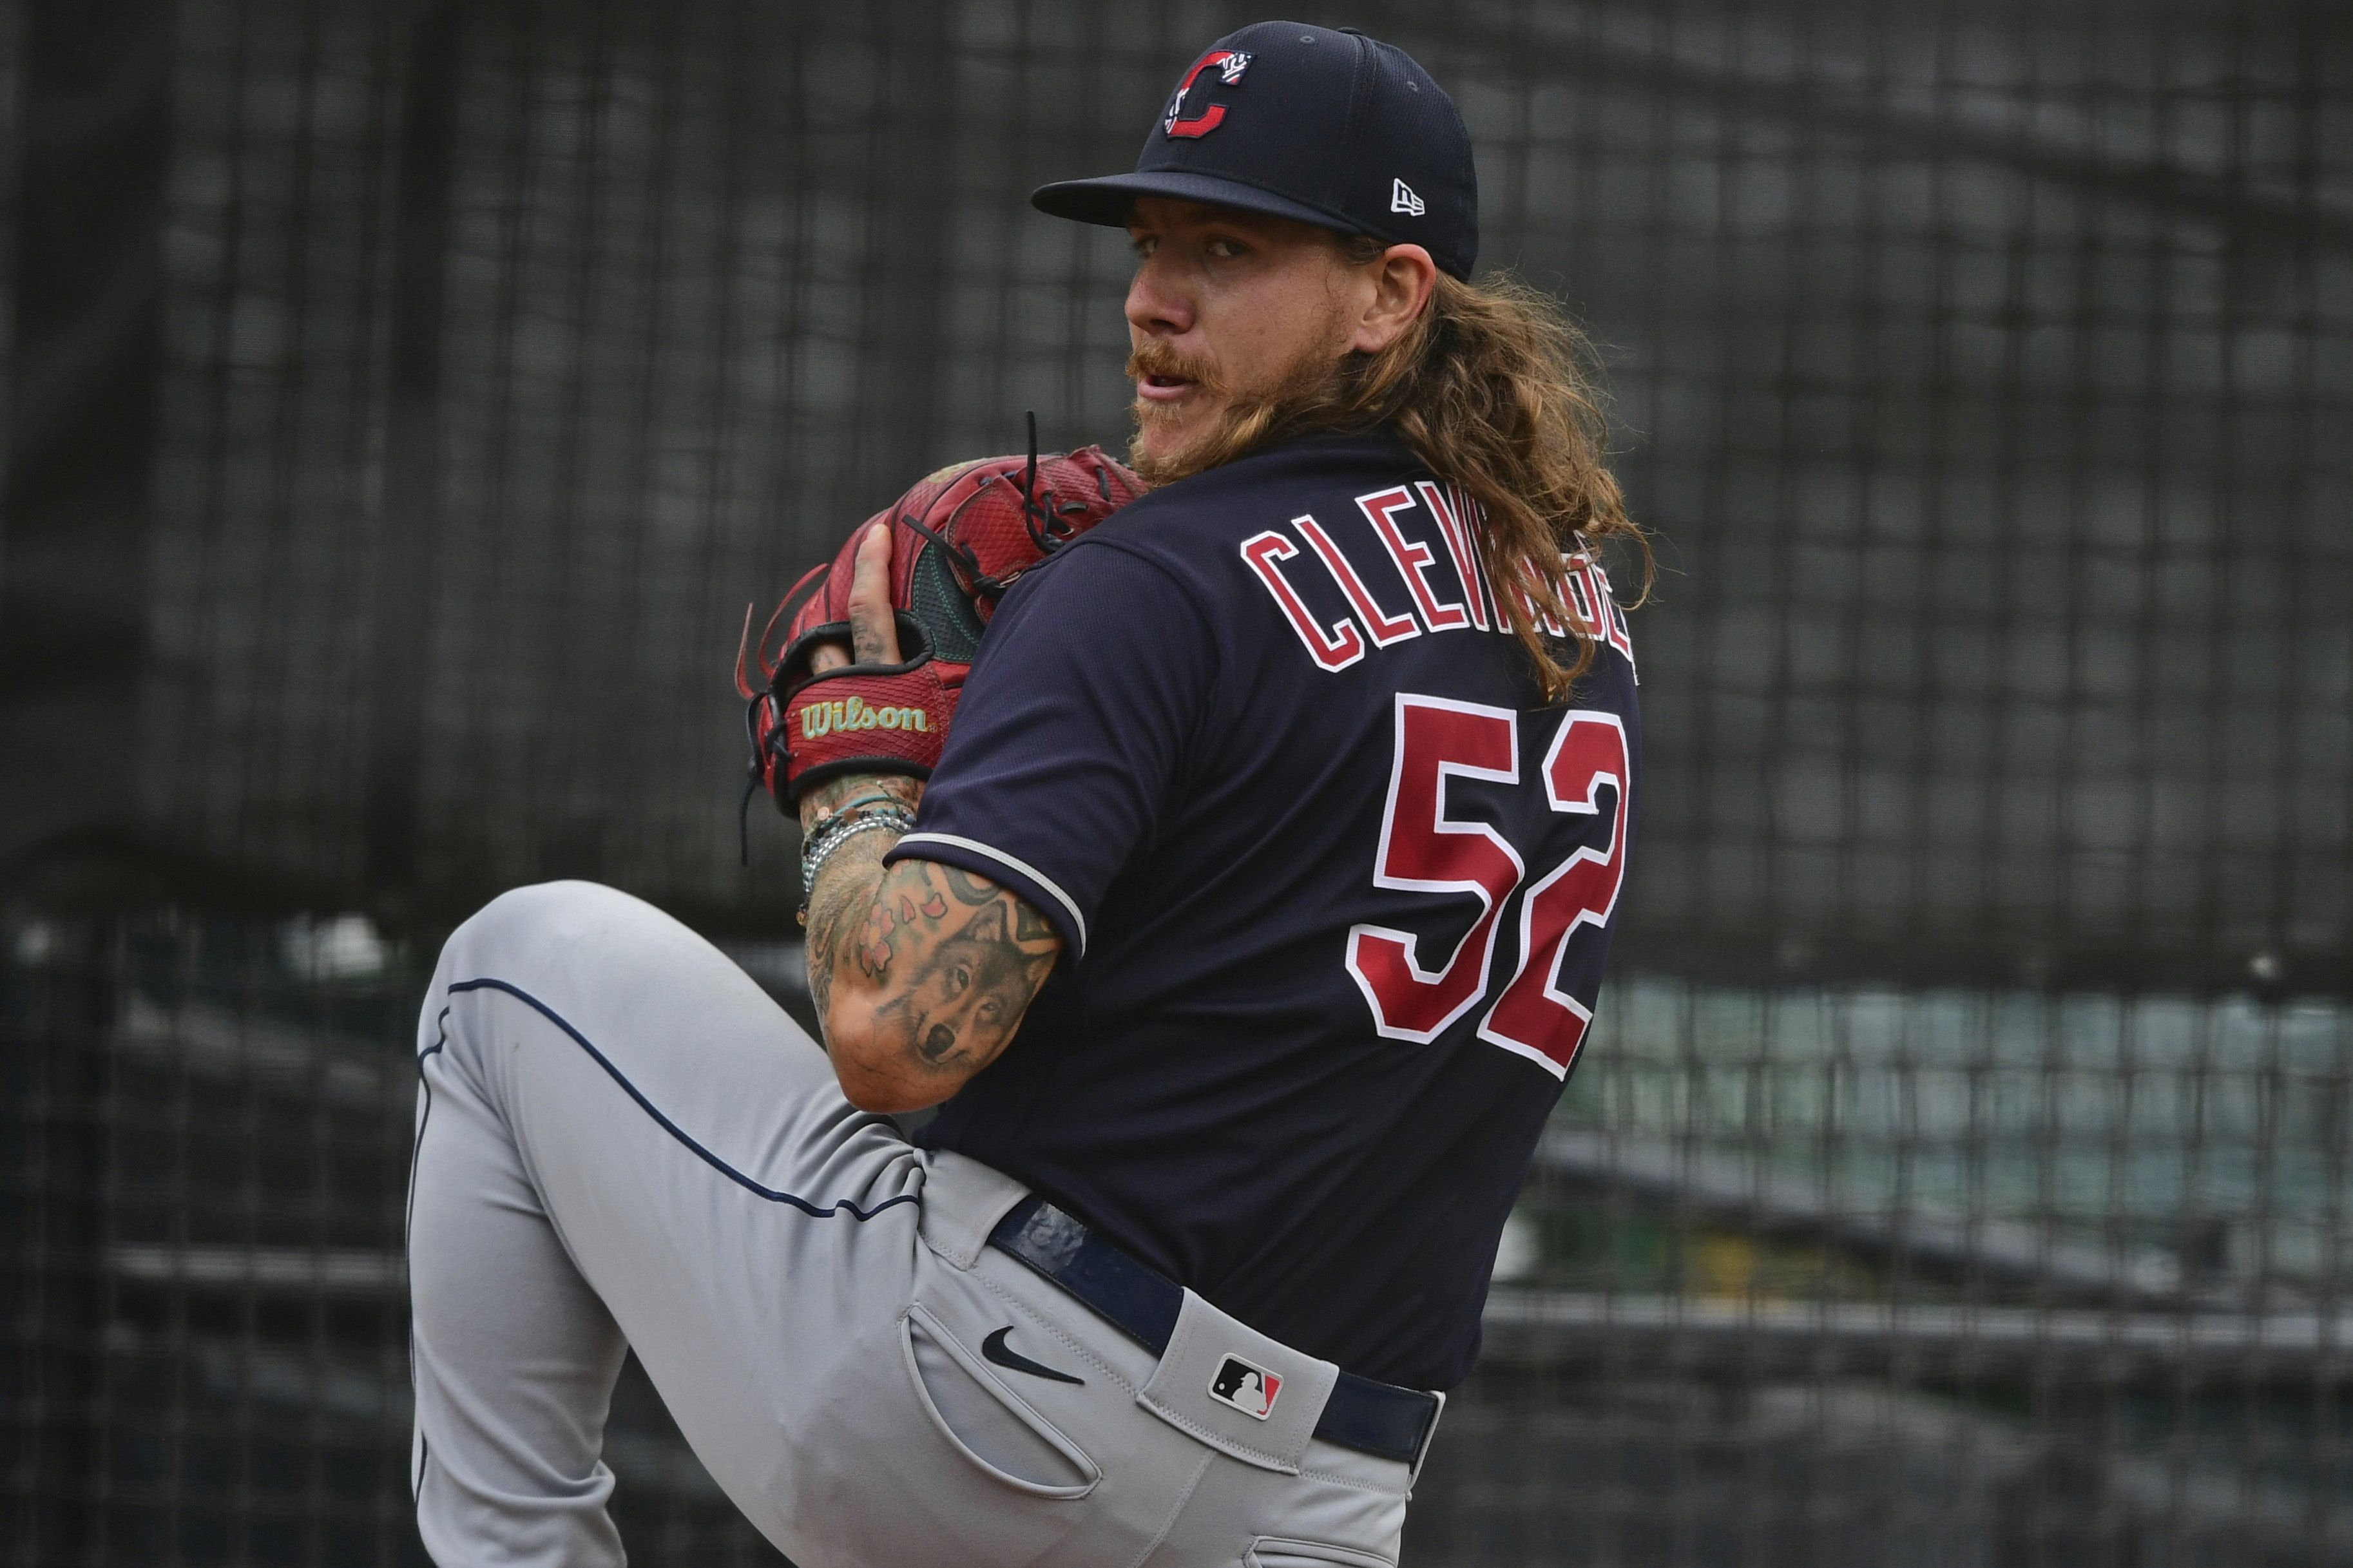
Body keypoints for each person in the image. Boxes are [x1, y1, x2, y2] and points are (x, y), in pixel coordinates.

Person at [405, 20, 1645, 1567]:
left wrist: (858, 788)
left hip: (995, 1419)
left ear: (1388, 296)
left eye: (1227, 247)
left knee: (510, 971)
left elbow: (890, 1036)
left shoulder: (1155, 579)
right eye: (1148, 244)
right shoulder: (1570, 624)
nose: (1151, 300)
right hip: (1323, 1510)